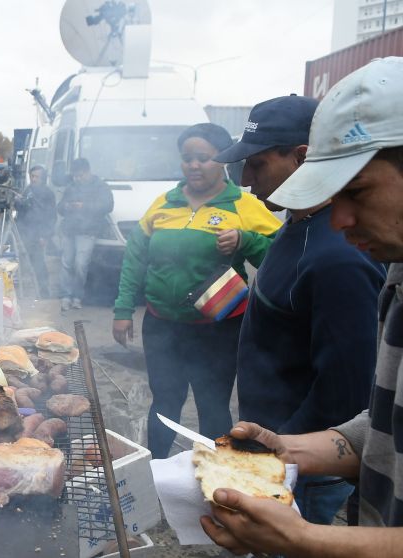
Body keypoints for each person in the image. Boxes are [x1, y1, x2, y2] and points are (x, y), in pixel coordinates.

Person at [198, 56, 403, 557]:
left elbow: (344, 384)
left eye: (355, 192)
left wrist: (308, 538)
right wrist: (287, 449)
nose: (340, 219)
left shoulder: (344, 260)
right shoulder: (398, 267)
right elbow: (382, 422)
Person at [112, 123, 282, 459]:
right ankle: (157, 469)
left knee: (213, 405)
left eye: (203, 158)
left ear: (221, 161)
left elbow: (281, 257)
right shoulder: (164, 204)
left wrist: (246, 240)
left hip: (218, 328)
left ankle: (219, 477)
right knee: (164, 401)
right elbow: (135, 258)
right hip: (162, 325)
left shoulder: (242, 205)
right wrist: (122, 310)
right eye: (187, 158)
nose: (194, 165)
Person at [58, 159, 114, 310]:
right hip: (69, 230)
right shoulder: (71, 187)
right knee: (66, 263)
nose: (77, 179)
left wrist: (84, 206)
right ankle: (65, 295)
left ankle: (77, 296)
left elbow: (108, 205)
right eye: (75, 176)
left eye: (80, 175)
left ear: (88, 171)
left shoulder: (100, 186)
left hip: (88, 231)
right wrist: (66, 206)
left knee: (80, 265)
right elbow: (60, 208)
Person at [16, 165, 58, 298]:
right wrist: (18, 201)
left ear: (43, 178)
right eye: (32, 176)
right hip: (24, 231)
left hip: (38, 234)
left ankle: (44, 291)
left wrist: (45, 235)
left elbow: (51, 217)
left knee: (38, 262)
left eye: (36, 177)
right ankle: (24, 293)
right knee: (22, 261)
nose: (33, 179)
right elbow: (22, 210)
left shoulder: (48, 194)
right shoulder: (28, 190)